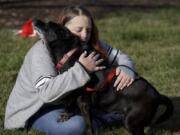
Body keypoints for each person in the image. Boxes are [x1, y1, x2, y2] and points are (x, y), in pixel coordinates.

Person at [4, 5, 136, 135]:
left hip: (71, 103)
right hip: (38, 108)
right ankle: (104, 118)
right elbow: (47, 94)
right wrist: (82, 69)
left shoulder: (84, 44)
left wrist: (126, 68)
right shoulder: (41, 52)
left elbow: (121, 57)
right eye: (78, 30)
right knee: (75, 127)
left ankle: (104, 116)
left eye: (88, 30)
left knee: (130, 102)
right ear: (63, 28)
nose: (84, 35)